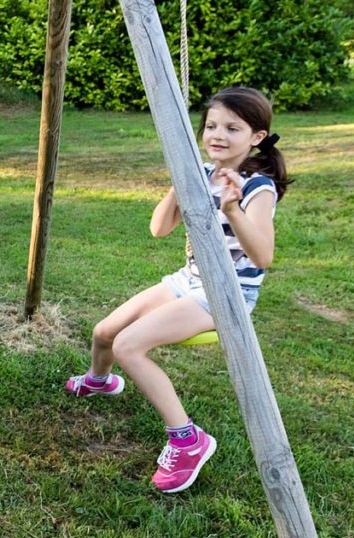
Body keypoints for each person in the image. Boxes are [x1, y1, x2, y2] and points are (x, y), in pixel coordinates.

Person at [65, 87, 290, 494]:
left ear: (257, 137)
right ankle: (100, 380)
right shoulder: (200, 172)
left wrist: (232, 210)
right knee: (104, 332)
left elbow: (262, 256)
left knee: (129, 345)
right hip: (188, 280)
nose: (217, 134)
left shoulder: (258, 187)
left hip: (227, 293)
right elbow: (158, 229)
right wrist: (179, 178)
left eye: (232, 128)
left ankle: (188, 440)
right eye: (212, 126)